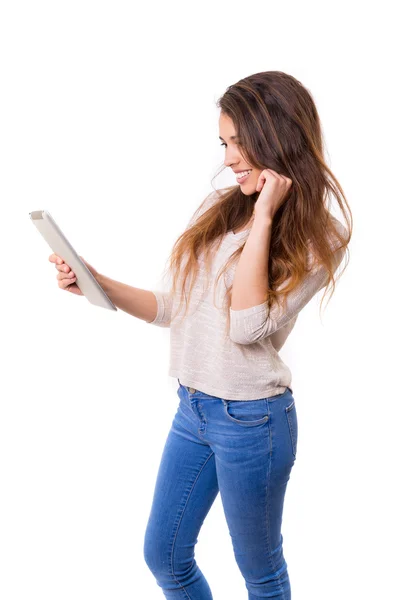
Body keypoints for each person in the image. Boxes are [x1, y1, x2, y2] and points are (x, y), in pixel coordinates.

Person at [49, 70, 352, 599]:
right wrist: (94, 281)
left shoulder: (322, 238)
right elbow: (172, 306)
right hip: (193, 408)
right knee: (164, 555)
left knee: (260, 573)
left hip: (252, 421)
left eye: (239, 142)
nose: (230, 157)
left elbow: (246, 325)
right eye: (224, 143)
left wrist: (264, 217)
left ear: (276, 135)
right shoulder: (220, 209)